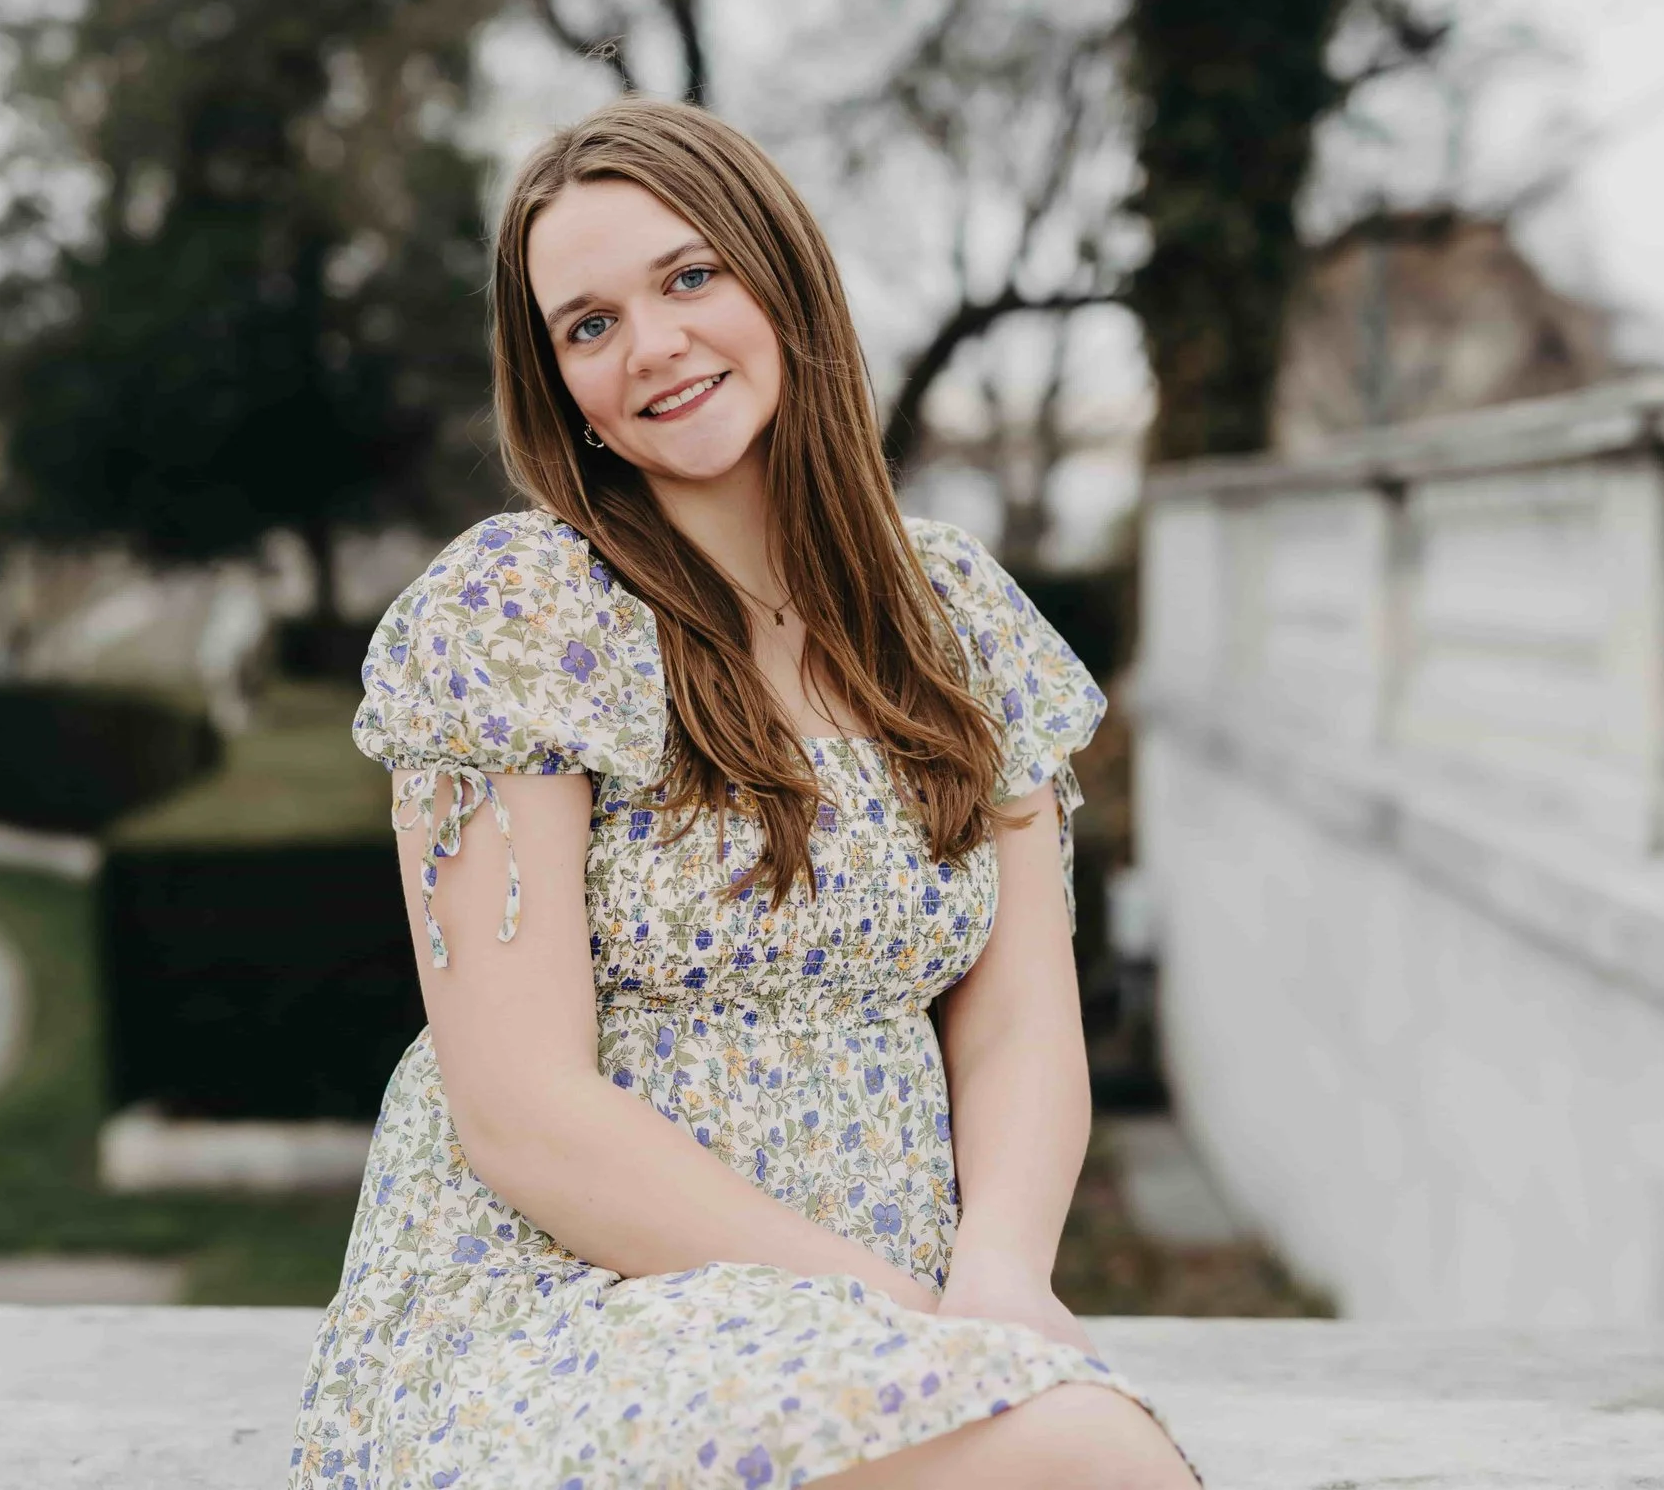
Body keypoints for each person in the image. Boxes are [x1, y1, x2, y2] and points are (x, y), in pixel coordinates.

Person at [286, 97, 1199, 1488]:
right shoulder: (524, 614)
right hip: (573, 1304)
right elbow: (523, 1108)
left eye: (687, 275)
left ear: (782, 276)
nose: (650, 345)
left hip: (889, 1313)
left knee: (1087, 1442)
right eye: (586, 324)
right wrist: (894, 1312)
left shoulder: (956, 613)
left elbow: (1019, 1017)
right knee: (1090, 1459)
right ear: (559, 386)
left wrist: (1000, 1279)